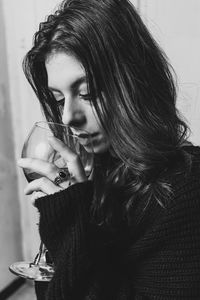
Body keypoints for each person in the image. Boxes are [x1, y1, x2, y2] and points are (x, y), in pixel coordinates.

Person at [18, 0, 200, 299]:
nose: (67, 117)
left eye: (87, 93)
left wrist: (70, 230)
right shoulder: (93, 177)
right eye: (60, 100)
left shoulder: (188, 189)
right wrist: (66, 222)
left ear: (135, 83)